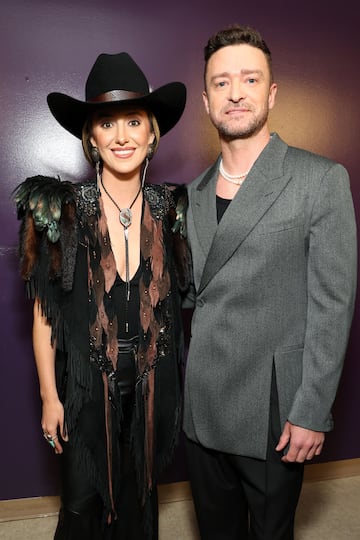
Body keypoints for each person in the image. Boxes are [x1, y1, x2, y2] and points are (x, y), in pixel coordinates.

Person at [183, 24, 357, 540]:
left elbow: (333, 304)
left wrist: (312, 410)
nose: (235, 93)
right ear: (206, 100)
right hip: (203, 406)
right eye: (221, 83)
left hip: (273, 411)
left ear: (271, 93)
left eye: (250, 79)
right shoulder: (190, 194)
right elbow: (190, 294)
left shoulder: (320, 179)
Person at [14, 52, 188, 539]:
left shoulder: (174, 209)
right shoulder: (63, 210)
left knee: (139, 501)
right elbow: (45, 318)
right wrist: (51, 397)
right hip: (87, 390)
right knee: (81, 506)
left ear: (152, 132)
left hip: (154, 388)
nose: (122, 136)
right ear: (91, 137)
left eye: (134, 121)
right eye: (106, 123)